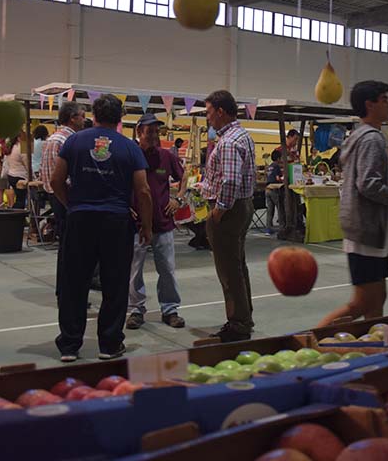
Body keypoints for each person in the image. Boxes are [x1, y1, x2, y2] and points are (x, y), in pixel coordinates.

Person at [51, 94, 151, 362]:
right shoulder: (130, 148)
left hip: (80, 220)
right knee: (115, 283)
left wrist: (72, 205)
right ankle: (109, 343)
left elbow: (56, 179)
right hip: (116, 222)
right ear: (121, 118)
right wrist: (147, 226)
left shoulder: (74, 141)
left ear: (94, 115)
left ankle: (70, 345)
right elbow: (143, 191)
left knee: (74, 282)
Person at [317, 81, 388, 327]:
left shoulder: (358, 136)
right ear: (370, 104)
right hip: (366, 229)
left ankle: (373, 347)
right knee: (361, 303)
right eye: (384, 99)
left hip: (365, 228)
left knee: (377, 300)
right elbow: (368, 184)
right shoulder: (372, 140)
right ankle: (308, 342)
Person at [202, 90, 257, 343]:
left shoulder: (228, 142)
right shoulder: (242, 135)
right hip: (242, 206)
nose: (208, 117)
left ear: (220, 111)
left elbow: (231, 180)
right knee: (237, 265)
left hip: (229, 210)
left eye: (209, 112)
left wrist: (219, 210)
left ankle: (237, 324)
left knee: (228, 270)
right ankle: (244, 316)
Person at [126, 113, 187, 330]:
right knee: (134, 269)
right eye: (149, 131)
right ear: (138, 132)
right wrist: (125, 206)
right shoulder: (130, 155)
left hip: (162, 223)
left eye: (155, 131)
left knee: (167, 269)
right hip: (136, 225)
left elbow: (183, 176)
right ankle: (135, 309)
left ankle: (170, 309)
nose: (153, 135)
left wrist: (178, 199)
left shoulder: (166, 157)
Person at [40, 101, 85, 296]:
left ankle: (65, 289)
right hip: (66, 198)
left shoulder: (53, 138)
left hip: (55, 196)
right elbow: (65, 176)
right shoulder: (69, 140)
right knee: (73, 247)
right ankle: (70, 290)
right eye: (82, 116)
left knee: (66, 246)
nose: (84, 120)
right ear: (73, 118)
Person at [5, 133, 30, 209]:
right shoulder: (22, 147)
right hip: (21, 176)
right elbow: (27, 163)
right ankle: (16, 217)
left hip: (11, 175)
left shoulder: (11, 147)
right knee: (21, 200)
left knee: (19, 198)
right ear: (19, 137)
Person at [265, 148, 284, 235]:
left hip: (267, 189)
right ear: (278, 158)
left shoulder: (270, 166)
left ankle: (268, 229)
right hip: (274, 189)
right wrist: (283, 179)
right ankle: (282, 227)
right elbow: (277, 178)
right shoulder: (276, 166)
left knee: (270, 210)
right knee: (280, 208)